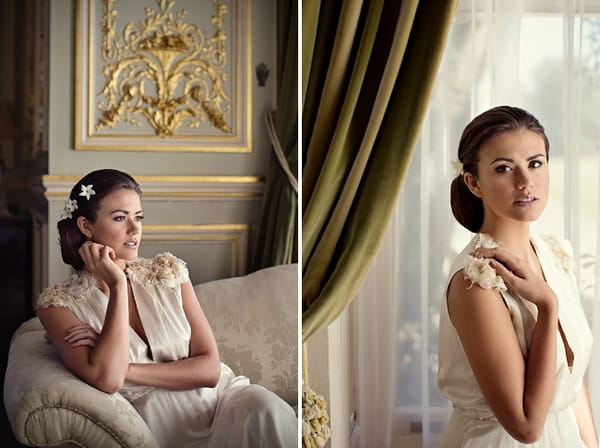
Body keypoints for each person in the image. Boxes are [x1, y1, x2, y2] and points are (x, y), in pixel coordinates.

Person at [36, 169, 297, 447]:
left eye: (138, 217)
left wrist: (126, 367)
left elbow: (209, 370)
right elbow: (108, 380)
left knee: (265, 408)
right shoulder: (58, 306)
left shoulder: (167, 271)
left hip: (225, 403)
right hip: (167, 429)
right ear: (86, 226)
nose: (134, 229)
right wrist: (118, 285)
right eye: (120, 218)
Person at [437, 106, 598, 447]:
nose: (525, 182)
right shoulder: (476, 283)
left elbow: (571, 380)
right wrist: (547, 306)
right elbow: (525, 427)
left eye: (535, 163)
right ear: (473, 183)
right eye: (504, 168)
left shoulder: (553, 255)